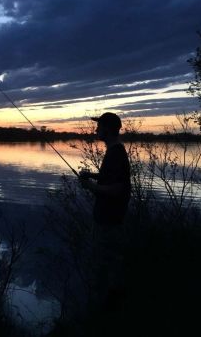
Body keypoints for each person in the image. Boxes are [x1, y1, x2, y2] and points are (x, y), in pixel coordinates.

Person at [79, 112, 131, 312]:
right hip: (105, 217)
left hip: (109, 218)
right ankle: (105, 299)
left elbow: (117, 189)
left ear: (108, 128)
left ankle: (112, 303)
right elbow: (110, 177)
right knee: (106, 259)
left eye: (99, 126)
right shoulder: (114, 151)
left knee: (109, 260)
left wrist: (89, 186)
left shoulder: (116, 153)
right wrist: (91, 175)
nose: (96, 129)